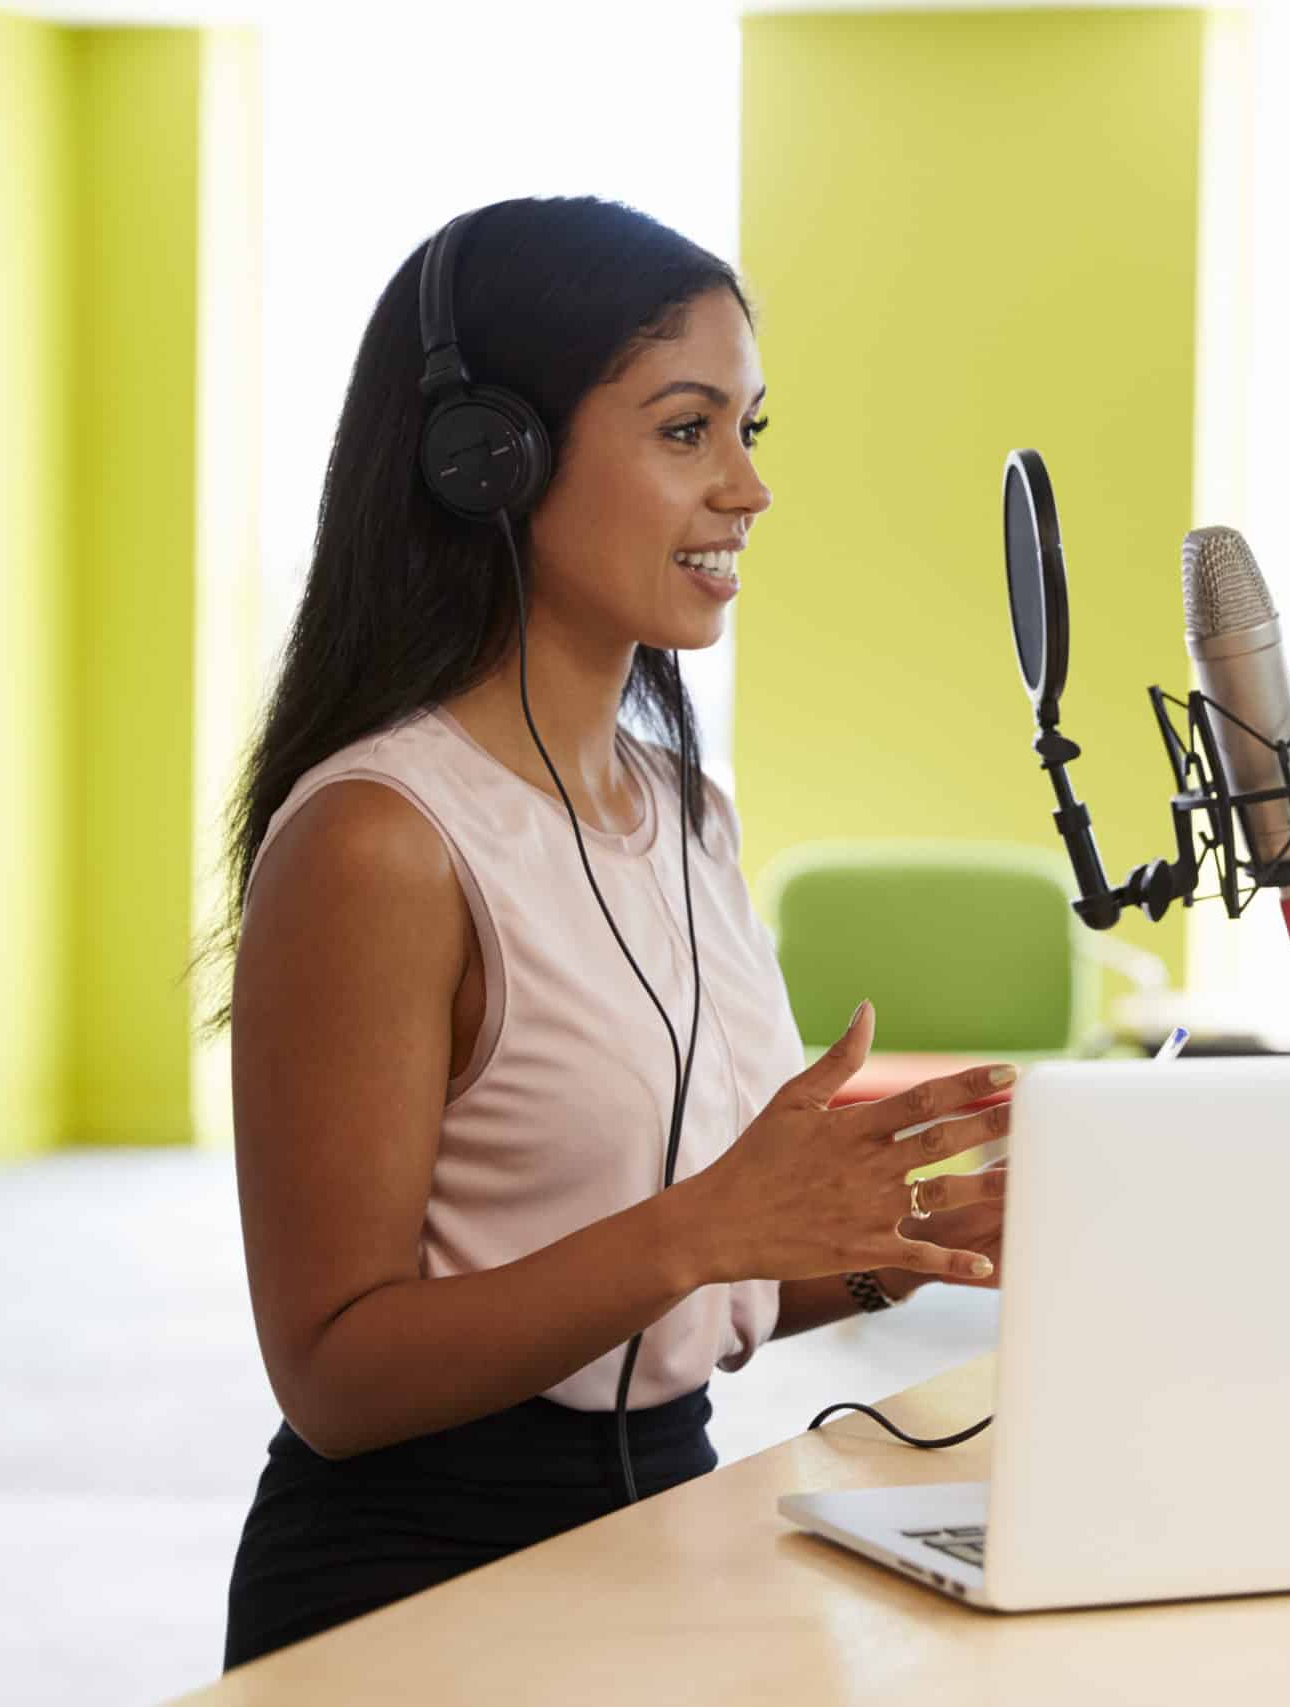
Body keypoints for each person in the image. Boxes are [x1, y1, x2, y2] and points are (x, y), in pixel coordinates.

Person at [202, 196, 1006, 1670]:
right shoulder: (380, 841)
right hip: (411, 1588)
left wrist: (910, 1246)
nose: (750, 489)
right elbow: (335, 1373)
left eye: (753, 429)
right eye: (688, 430)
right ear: (488, 464)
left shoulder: (683, 807)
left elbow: (676, 1285)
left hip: (663, 1527)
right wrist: (704, 1229)